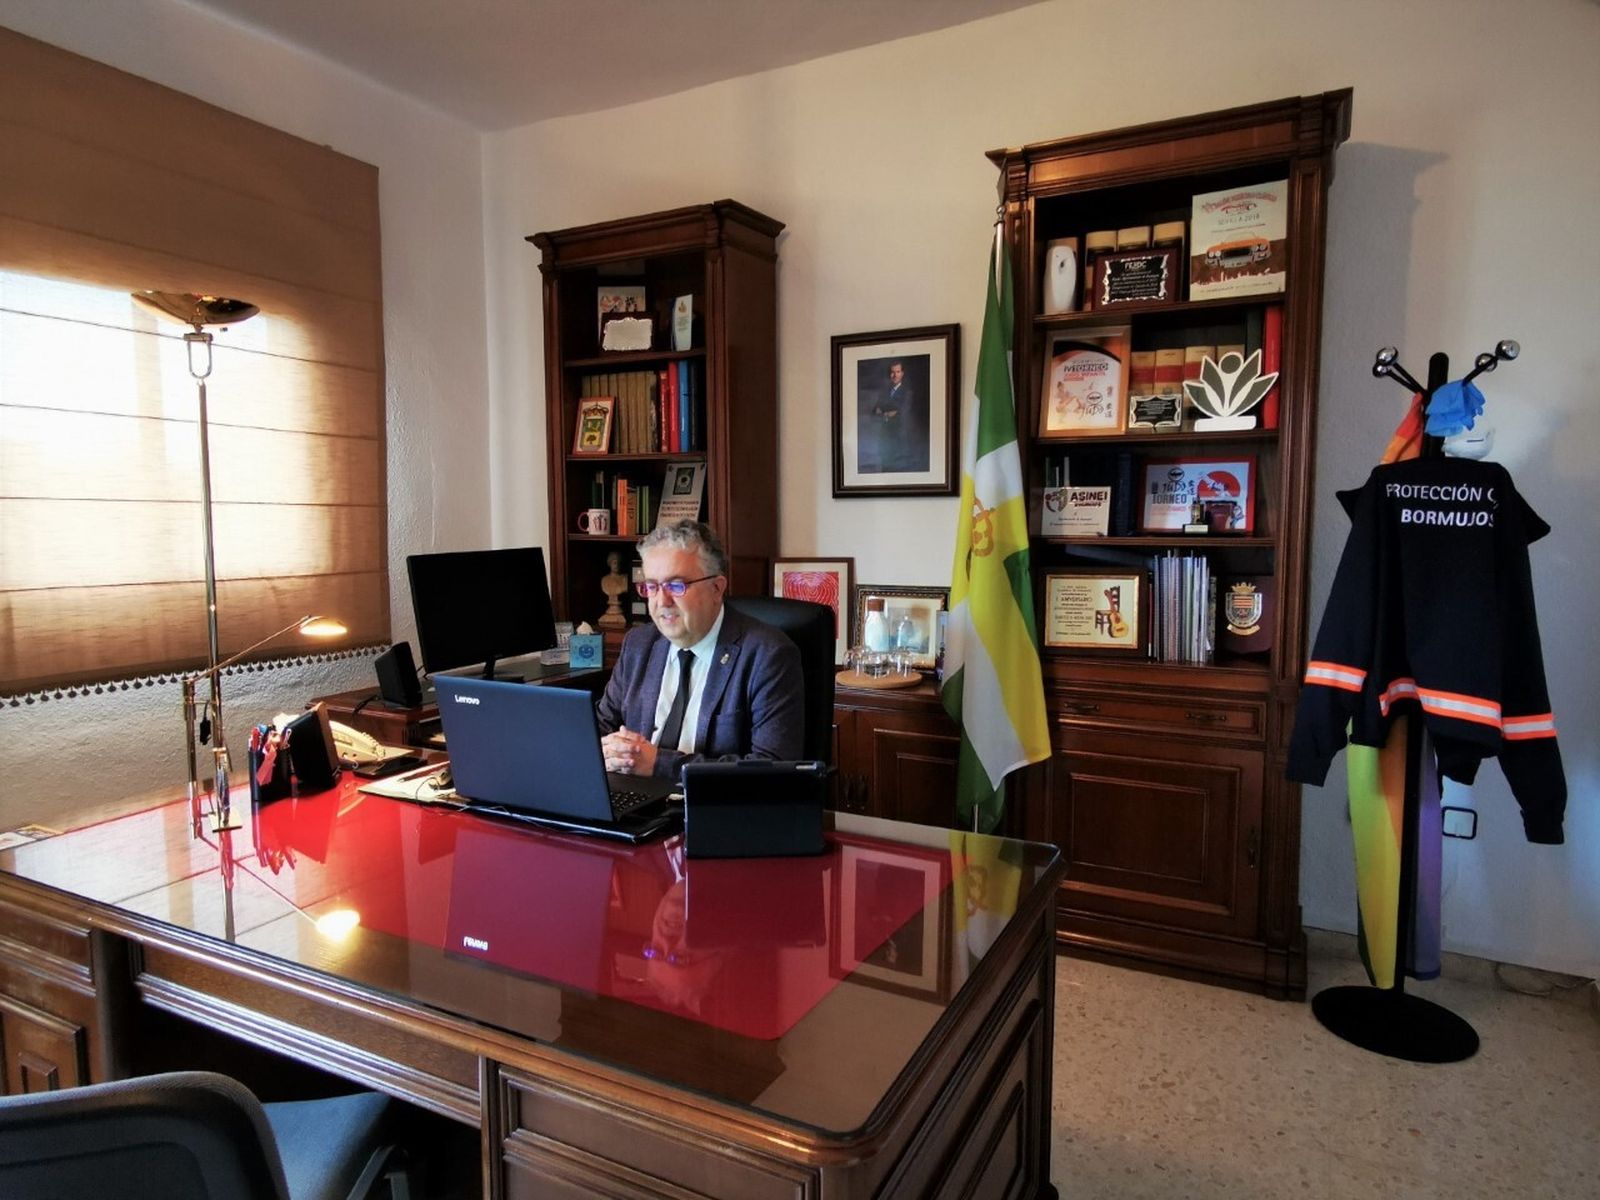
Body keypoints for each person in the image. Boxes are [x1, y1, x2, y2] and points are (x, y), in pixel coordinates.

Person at [597, 520, 802, 780]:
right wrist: (610, 750)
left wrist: (660, 764)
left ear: (716, 588)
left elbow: (773, 770)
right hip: (635, 795)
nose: (662, 601)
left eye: (676, 586)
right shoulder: (639, 645)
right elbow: (600, 727)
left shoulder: (767, 656)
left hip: (715, 803)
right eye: (651, 587)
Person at [864, 359, 928, 473]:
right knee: (885, 471)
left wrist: (884, 412)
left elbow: (901, 413)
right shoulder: (884, 392)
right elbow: (874, 411)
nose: (895, 375)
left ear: (902, 373)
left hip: (900, 439)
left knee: (898, 472)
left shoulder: (907, 393)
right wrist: (888, 413)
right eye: (892, 372)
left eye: (897, 372)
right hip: (884, 440)